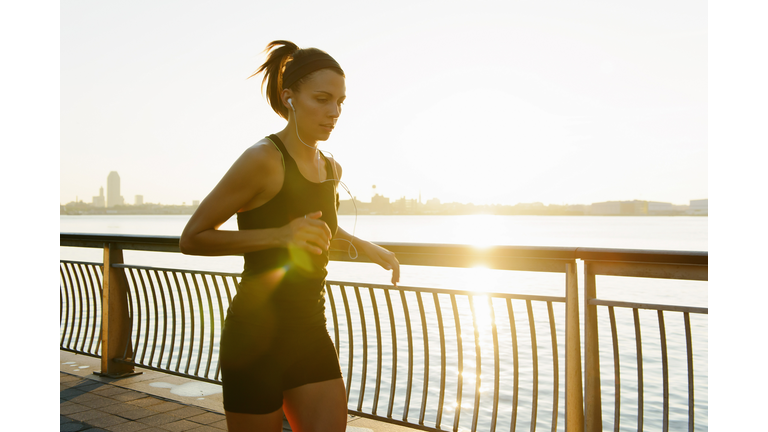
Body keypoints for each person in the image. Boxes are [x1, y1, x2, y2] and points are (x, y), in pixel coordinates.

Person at [179, 40, 400, 432]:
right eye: (322, 99)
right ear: (289, 97)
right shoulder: (263, 159)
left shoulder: (332, 167)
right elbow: (193, 238)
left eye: (340, 102)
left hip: (310, 330)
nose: (334, 112)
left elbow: (317, 231)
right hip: (254, 338)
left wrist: (365, 246)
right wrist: (280, 235)